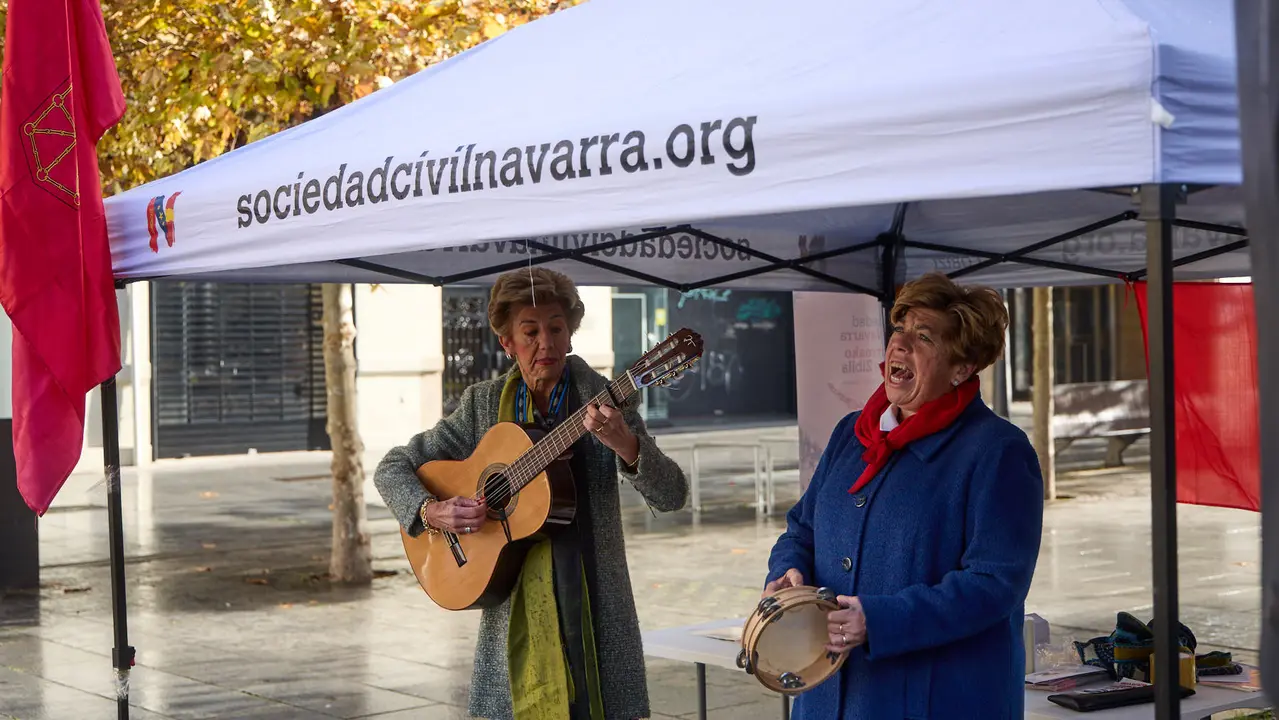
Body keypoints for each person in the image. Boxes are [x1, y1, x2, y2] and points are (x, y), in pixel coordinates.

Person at [374, 267, 688, 720]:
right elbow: (392, 466)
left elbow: (672, 494)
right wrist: (431, 510)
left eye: (556, 328)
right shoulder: (482, 405)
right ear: (507, 343)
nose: (547, 343)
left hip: (592, 608)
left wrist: (626, 444)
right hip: (511, 611)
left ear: (571, 334)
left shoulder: (603, 398)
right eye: (530, 331)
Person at [764, 272, 1044, 719]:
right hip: (826, 698)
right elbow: (802, 529)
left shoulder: (998, 451)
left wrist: (880, 619)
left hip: (937, 702)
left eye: (924, 336)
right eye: (900, 329)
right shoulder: (851, 435)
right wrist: (787, 572)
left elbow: (995, 584)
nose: (901, 344)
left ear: (962, 367)